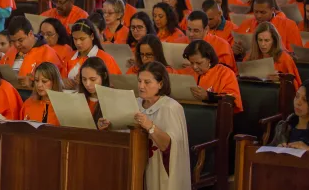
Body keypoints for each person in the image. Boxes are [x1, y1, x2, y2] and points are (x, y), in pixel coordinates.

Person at [100, 62, 190, 190]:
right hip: (134, 165)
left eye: (147, 82)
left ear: (160, 84)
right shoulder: (134, 103)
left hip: (159, 167)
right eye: (139, 81)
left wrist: (150, 126)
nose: (141, 86)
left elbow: (170, 146)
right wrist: (109, 126)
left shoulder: (171, 108)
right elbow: (124, 132)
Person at [177, 40, 243, 113]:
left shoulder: (225, 73)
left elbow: (232, 99)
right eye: (191, 63)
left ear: (209, 59)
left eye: (199, 63)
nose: (194, 67)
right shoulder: (188, 71)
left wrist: (209, 96)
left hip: (214, 116)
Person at [2, 17, 62, 87]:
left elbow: (55, 84)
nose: (17, 45)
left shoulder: (48, 53)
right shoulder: (12, 50)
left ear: (30, 34)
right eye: (13, 41)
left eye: (20, 40)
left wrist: (33, 84)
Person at [63, 19, 121, 88]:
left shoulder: (105, 58)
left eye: (82, 39)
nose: (78, 43)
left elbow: (114, 85)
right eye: (75, 39)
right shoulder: (69, 56)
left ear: (92, 36)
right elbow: (60, 78)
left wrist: (85, 81)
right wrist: (63, 81)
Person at [236, 0, 302, 52]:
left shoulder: (289, 25)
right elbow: (236, 46)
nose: (258, 16)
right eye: (256, 12)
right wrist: (236, 50)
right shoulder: (246, 23)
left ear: (272, 10)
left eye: (263, 12)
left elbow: (295, 55)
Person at [246, 22, 302, 90]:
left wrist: (280, 80)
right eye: (260, 40)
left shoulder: (285, 58)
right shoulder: (249, 56)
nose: (263, 44)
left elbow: (296, 86)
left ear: (274, 41)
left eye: (267, 40)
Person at [270, 79, 309, 150]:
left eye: (305, 99)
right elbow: (267, 154)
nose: (298, 102)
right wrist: (276, 150)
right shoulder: (284, 127)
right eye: (297, 96)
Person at [78, 56, 110, 123]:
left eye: (93, 79)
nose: (87, 84)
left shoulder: (112, 100)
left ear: (104, 76)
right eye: (84, 79)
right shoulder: (78, 98)